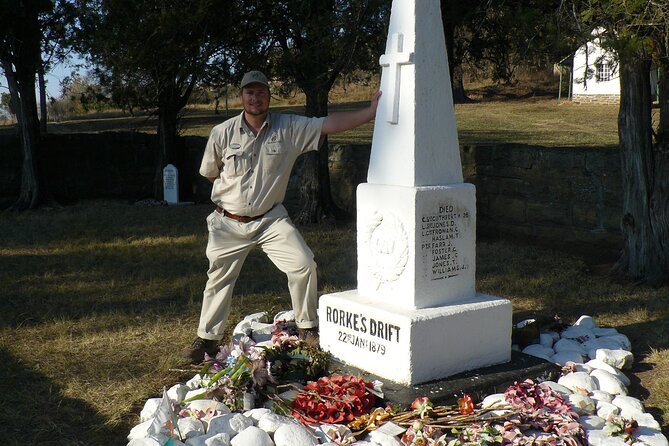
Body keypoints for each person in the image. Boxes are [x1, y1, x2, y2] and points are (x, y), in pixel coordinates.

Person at [184, 70, 381, 362]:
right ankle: (208, 339)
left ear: (268, 96)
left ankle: (307, 327)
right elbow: (211, 174)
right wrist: (236, 202)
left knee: (303, 264)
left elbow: (328, 124)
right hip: (228, 222)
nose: (255, 98)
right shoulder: (222, 133)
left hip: (270, 220)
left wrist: (370, 112)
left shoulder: (288, 127)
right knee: (218, 279)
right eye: (249, 92)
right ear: (242, 97)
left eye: (261, 92)